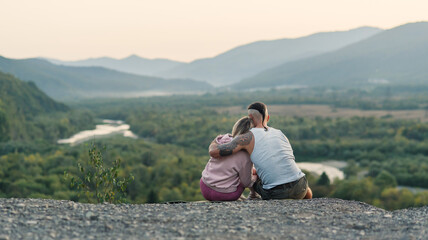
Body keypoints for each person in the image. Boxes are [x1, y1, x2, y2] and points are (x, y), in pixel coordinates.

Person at [209, 102, 312, 200]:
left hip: (276, 193)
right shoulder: (280, 133)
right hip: (300, 185)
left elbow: (214, 152)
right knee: (299, 184)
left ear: (250, 118)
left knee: (253, 175)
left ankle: (253, 196)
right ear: (268, 118)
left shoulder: (246, 138)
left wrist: (215, 141)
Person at [200, 116, 257, 201]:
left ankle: (230, 187)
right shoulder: (246, 155)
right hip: (223, 195)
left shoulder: (222, 139)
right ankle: (254, 195)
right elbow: (246, 183)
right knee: (252, 173)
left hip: (205, 187)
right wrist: (255, 177)